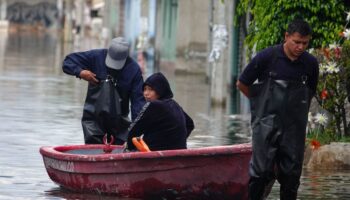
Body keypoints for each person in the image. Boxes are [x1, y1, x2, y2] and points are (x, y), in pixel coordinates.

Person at [236, 19, 319, 200]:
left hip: (294, 127)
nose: (300, 47)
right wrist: (259, 104)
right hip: (266, 124)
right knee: (260, 173)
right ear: (286, 37)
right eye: (296, 42)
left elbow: (310, 91)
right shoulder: (267, 57)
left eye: (305, 43)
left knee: (291, 175)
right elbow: (242, 83)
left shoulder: (310, 63)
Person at [62, 37, 146, 145]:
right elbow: (67, 62)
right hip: (93, 119)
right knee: (94, 148)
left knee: (124, 146)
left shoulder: (134, 70)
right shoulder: (96, 57)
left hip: (120, 122)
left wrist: (136, 132)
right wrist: (81, 72)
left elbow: (138, 104)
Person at [126, 72, 194, 151]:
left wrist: (129, 147)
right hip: (179, 152)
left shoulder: (154, 105)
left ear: (160, 91)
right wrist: (176, 142)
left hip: (154, 153)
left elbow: (134, 130)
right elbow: (190, 124)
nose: (146, 94)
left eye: (151, 89)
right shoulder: (174, 104)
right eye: (145, 89)